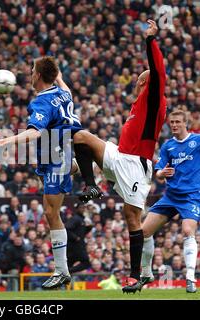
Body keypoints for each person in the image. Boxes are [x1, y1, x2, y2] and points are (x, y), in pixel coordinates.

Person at [72, 20, 166, 293]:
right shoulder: (138, 104)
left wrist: (150, 42)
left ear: (147, 83)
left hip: (136, 165)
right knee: (81, 137)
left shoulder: (155, 99)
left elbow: (158, 72)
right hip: (119, 155)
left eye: (142, 79)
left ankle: (136, 276)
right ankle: (90, 184)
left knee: (131, 219)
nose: (138, 81)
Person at [0, 56, 82, 289]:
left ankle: (62, 271)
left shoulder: (42, 102)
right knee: (51, 211)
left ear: (39, 75)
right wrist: (59, 76)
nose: (30, 74)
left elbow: (34, 132)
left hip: (55, 155)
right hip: (56, 153)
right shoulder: (63, 93)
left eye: (33, 70)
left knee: (51, 214)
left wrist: (6, 142)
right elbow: (66, 87)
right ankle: (81, 164)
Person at [140, 110, 200, 293]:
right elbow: (158, 172)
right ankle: (146, 272)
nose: (174, 125)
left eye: (177, 122)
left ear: (185, 123)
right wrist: (161, 173)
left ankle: (190, 277)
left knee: (188, 230)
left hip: (192, 196)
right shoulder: (168, 146)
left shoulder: (197, 141)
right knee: (143, 231)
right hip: (171, 196)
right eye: (172, 122)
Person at [65, 203, 92, 273]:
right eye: (81, 207)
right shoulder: (75, 218)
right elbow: (67, 229)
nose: (83, 209)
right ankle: (69, 271)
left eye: (83, 208)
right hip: (76, 246)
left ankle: (67, 273)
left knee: (69, 263)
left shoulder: (82, 219)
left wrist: (88, 228)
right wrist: (75, 238)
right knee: (86, 263)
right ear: (77, 209)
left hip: (75, 246)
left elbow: (81, 233)